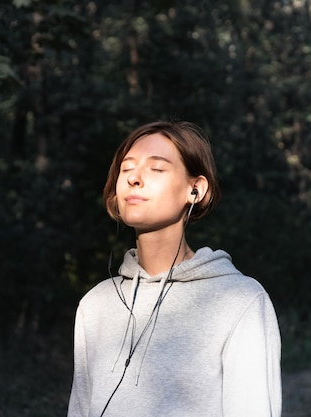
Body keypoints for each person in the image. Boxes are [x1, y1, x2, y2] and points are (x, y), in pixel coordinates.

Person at [67, 120, 282, 417]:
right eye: (126, 169)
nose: (134, 179)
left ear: (195, 189)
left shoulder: (240, 301)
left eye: (156, 169)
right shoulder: (95, 305)